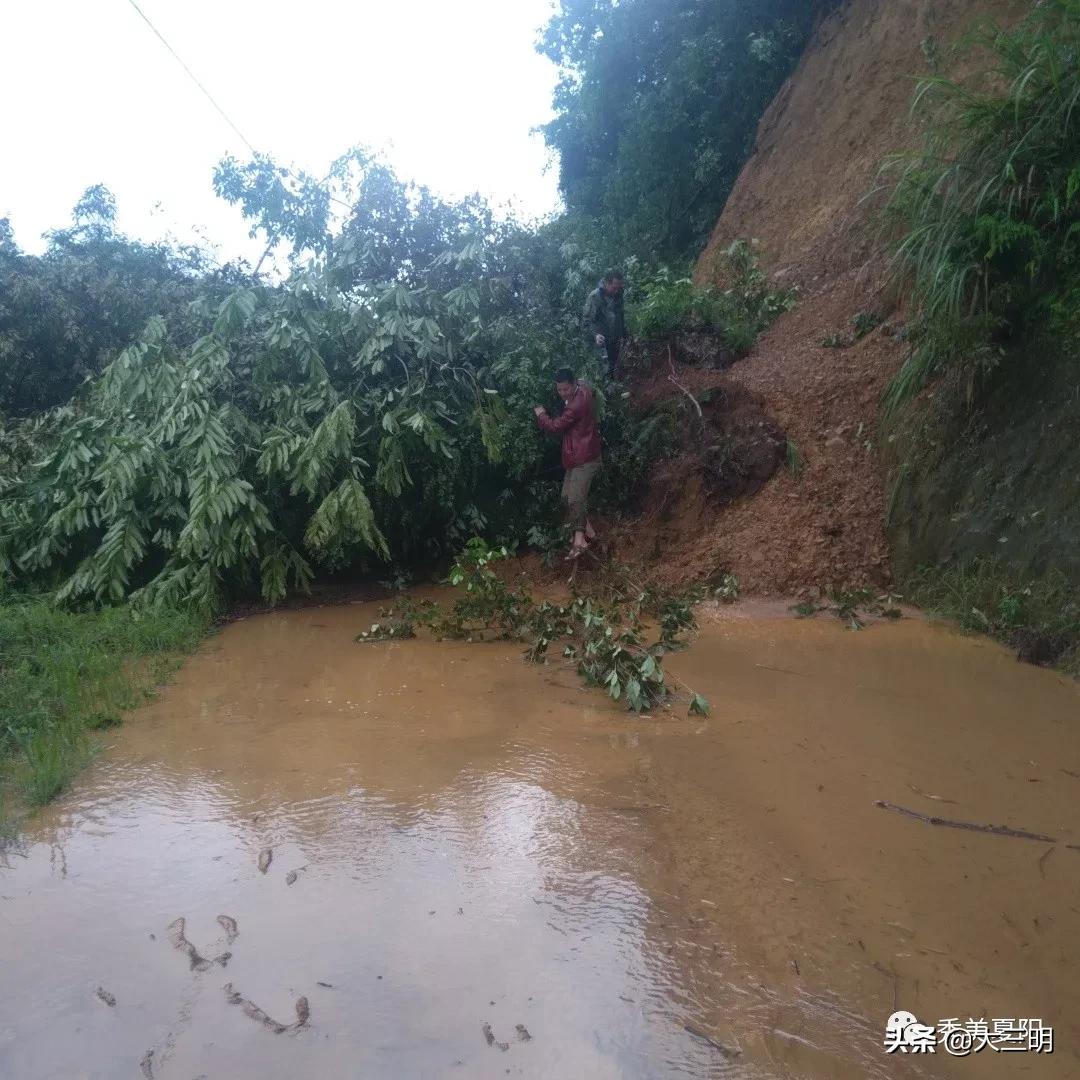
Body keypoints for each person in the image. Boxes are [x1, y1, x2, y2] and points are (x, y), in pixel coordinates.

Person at [534, 368, 601, 559]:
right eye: (559, 390)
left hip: (585, 458)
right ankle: (591, 534)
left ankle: (579, 541)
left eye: (565, 389)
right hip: (575, 457)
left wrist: (541, 415)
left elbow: (555, 427)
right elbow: (588, 384)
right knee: (566, 498)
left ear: (573, 385)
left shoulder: (576, 405)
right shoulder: (583, 387)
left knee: (575, 500)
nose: (562, 393)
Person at [583, 270, 626, 380]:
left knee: (615, 366)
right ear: (606, 283)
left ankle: (615, 387)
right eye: (614, 287)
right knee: (603, 371)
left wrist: (623, 334)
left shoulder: (619, 295)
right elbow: (587, 321)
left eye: (619, 287)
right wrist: (595, 335)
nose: (617, 291)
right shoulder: (595, 297)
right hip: (601, 342)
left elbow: (620, 316)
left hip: (615, 340)